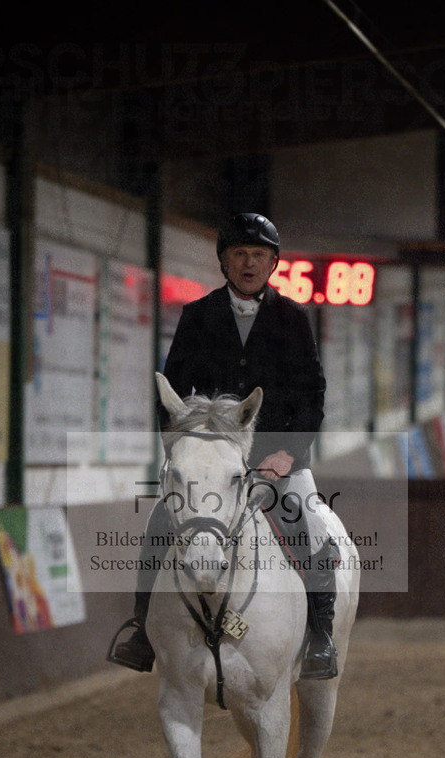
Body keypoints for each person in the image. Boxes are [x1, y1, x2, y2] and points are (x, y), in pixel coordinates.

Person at [108, 212, 339, 679]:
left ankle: (320, 634)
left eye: (258, 255)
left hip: (276, 460)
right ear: (224, 262)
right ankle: (141, 632)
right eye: (239, 254)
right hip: (211, 463)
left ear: (273, 263)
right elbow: (170, 396)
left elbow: (312, 398)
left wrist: (288, 454)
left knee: (311, 529)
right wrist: (184, 452)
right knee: (158, 526)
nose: (249, 263)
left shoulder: (293, 319)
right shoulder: (198, 316)